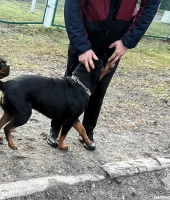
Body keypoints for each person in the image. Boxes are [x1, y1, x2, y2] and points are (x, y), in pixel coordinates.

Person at [47, 0, 161, 150]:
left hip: (114, 44)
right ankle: (57, 127)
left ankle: (87, 131)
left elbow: (151, 4)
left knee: (99, 90)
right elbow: (72, 5)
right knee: (70, 86)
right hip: (87, 33)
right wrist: (81, 46)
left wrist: (128, 41)